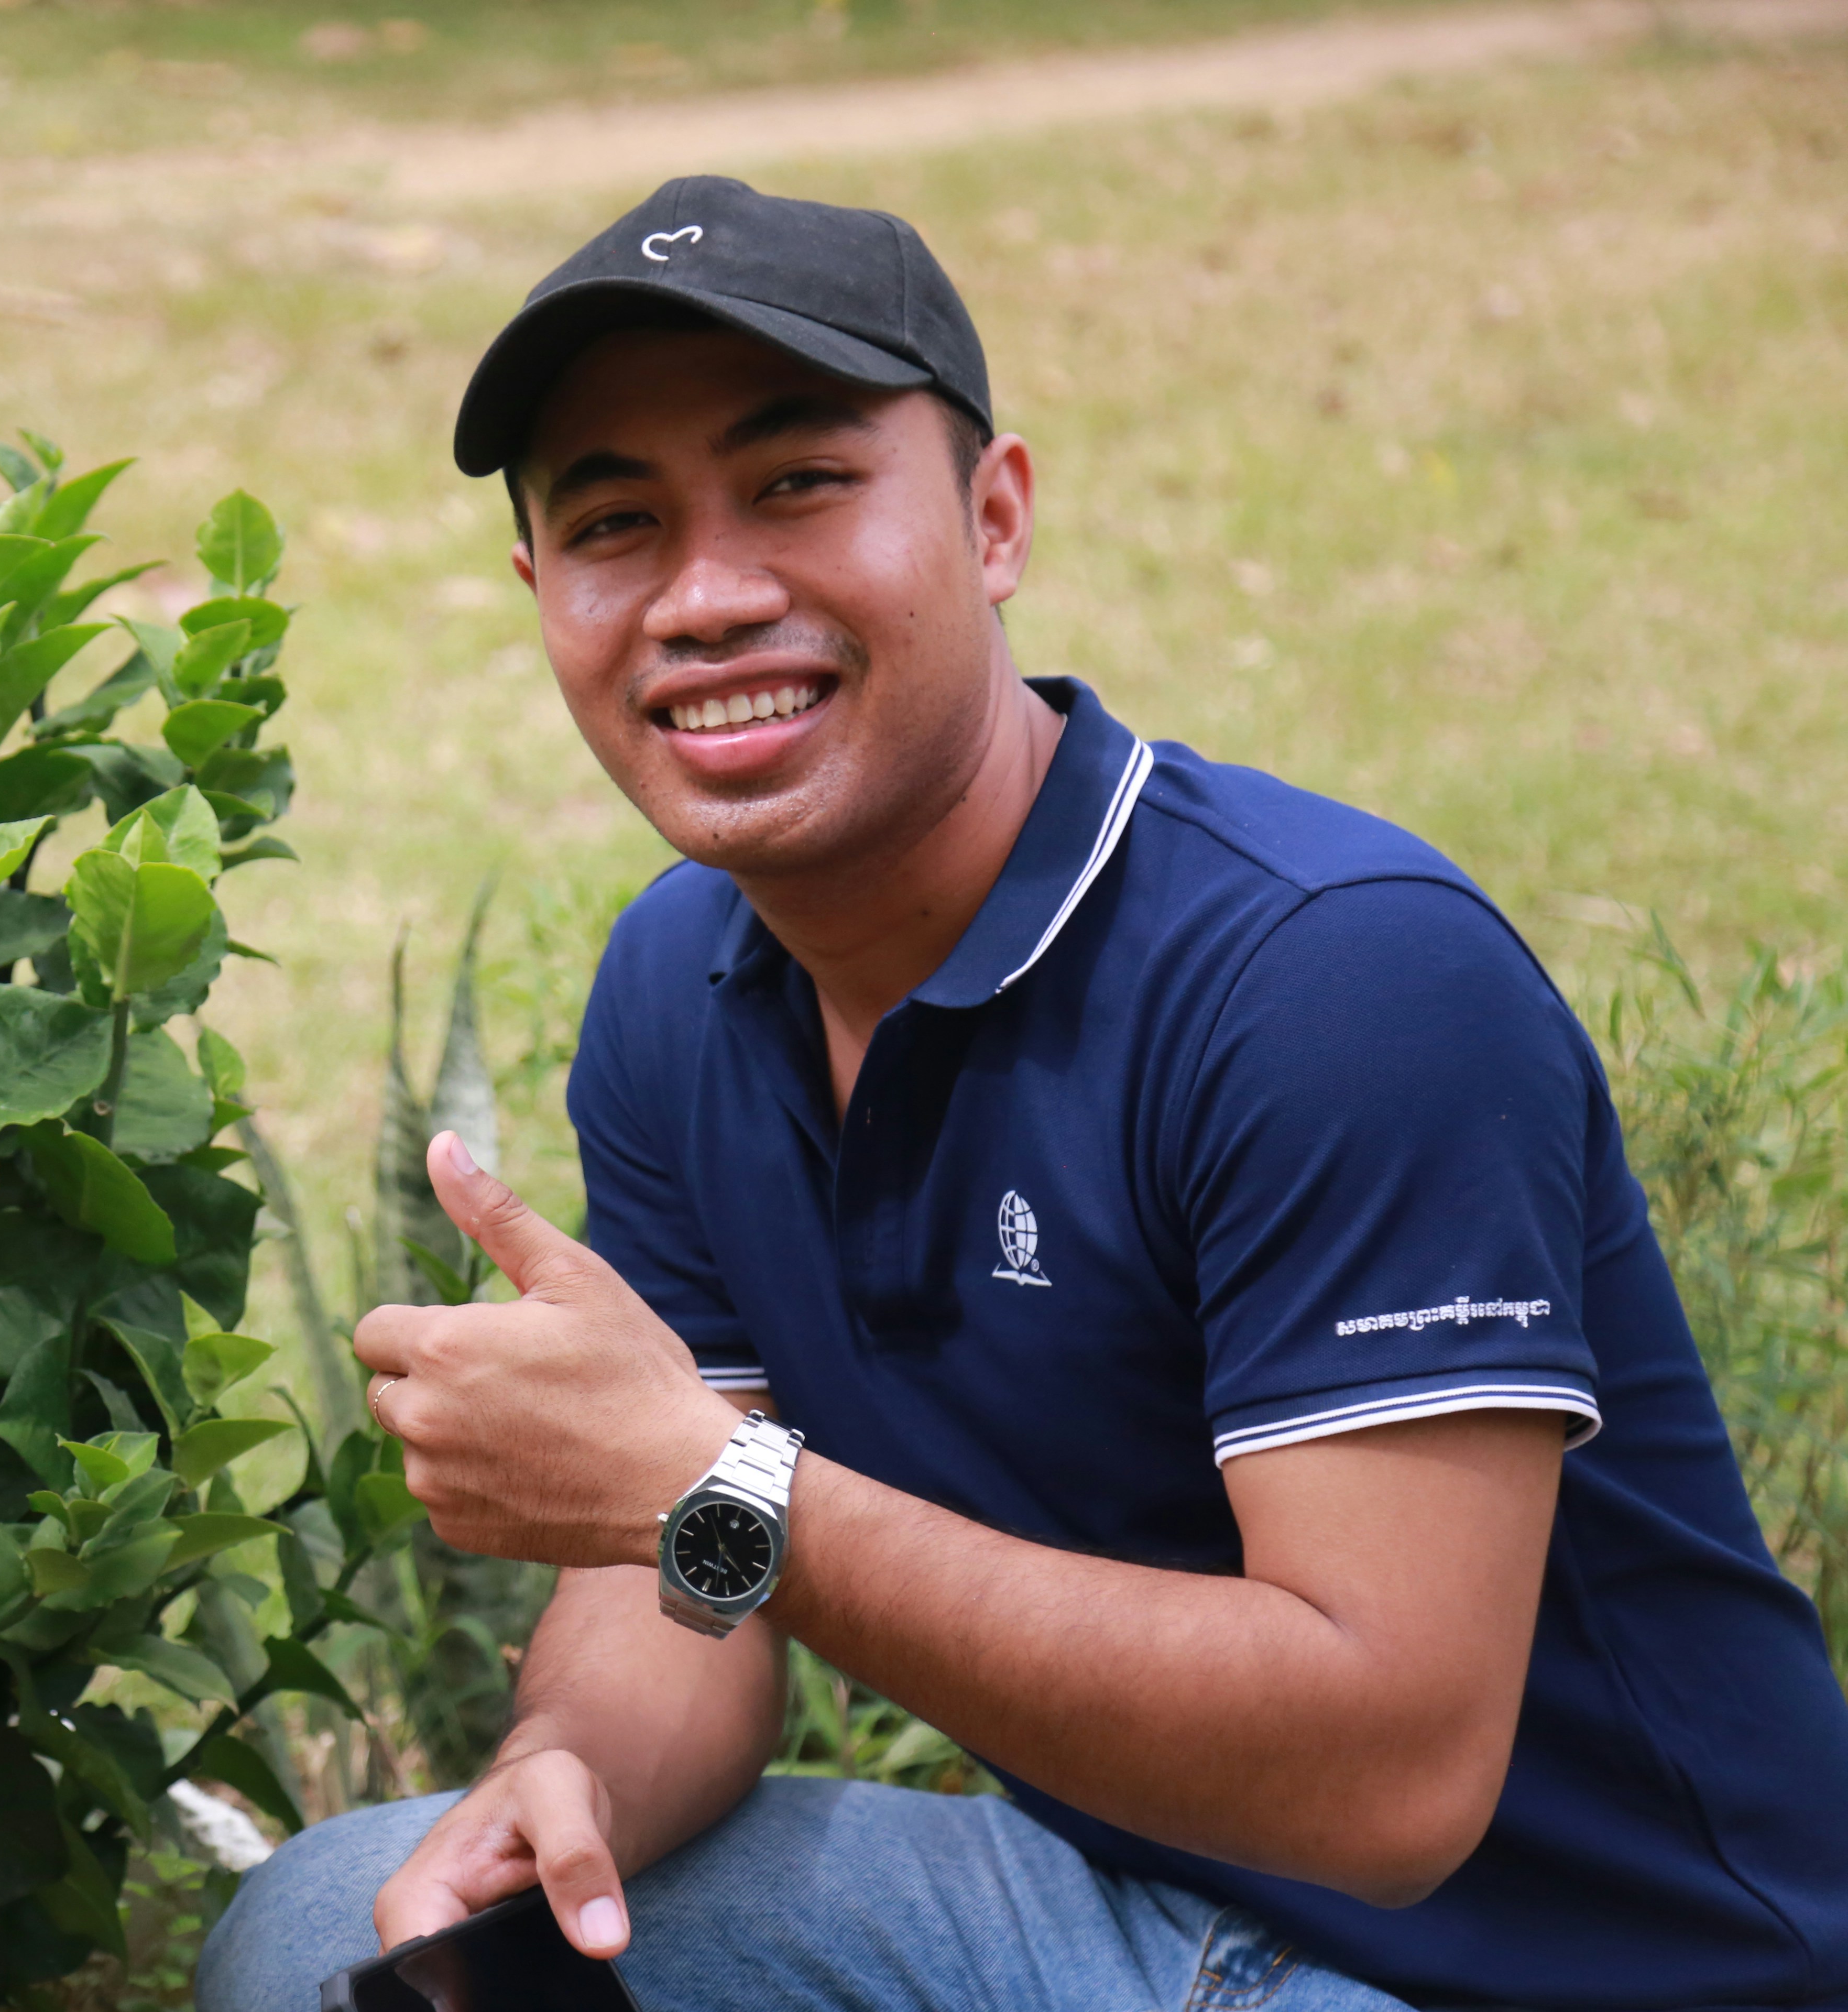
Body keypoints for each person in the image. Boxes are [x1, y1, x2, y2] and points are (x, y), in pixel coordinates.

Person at [198, 177, 1848, 2012]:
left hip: (1579, 1972)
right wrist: (565, 1768)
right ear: (542, 597)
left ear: (995, 520)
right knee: (341, 1936)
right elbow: (708, 1566)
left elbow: (1394, 1781)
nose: (710, 594)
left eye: (800, 486)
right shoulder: (681, 992)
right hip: (1124, 1912)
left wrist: (705, 1479)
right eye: (615, 523)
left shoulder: (1337, 982)